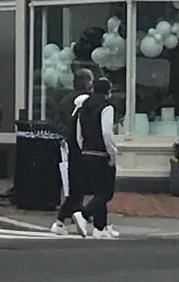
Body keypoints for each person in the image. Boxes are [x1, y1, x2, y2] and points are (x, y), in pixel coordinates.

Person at [74, 77, 120, 239]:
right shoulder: (106, 107)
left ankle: (100, 228)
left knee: (98, 193)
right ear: (108, 92)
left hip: (86, 153)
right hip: (101, 154)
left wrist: (83, 148)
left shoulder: (84, 107)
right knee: (106, 193)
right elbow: (107, 132)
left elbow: (79, 133)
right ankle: (84, 214)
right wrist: (112, 153)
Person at [50, 68, 94, 236]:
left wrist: (65, 134)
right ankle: (79, 213)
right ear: (87, 82)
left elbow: (57, 121)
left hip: (68, 146)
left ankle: (74, 213)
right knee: (89, 185)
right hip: (84, 147)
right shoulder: (88, 101)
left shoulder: (65, 101)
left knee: (75, 183)